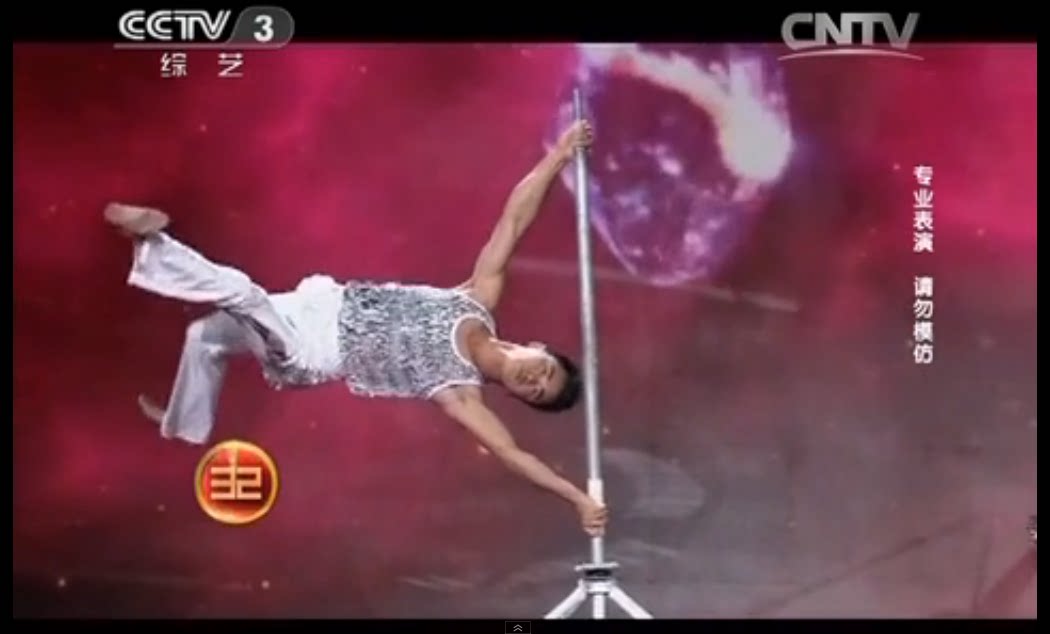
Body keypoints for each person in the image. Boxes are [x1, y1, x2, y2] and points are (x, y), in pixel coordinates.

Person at [106, 119, 608, 536]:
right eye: (545, 371)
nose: (535, 381)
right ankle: (184, 427)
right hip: (319, 302)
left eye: (536, 393)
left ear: (518, 398)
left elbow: (510, 453)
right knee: (205, 337)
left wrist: (575, 499)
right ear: (537, 347)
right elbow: (514, 221)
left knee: (241, 293)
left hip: (311, 352)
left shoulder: (459, 391)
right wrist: (560, 155)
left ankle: (151, 245)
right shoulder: (476, 298)